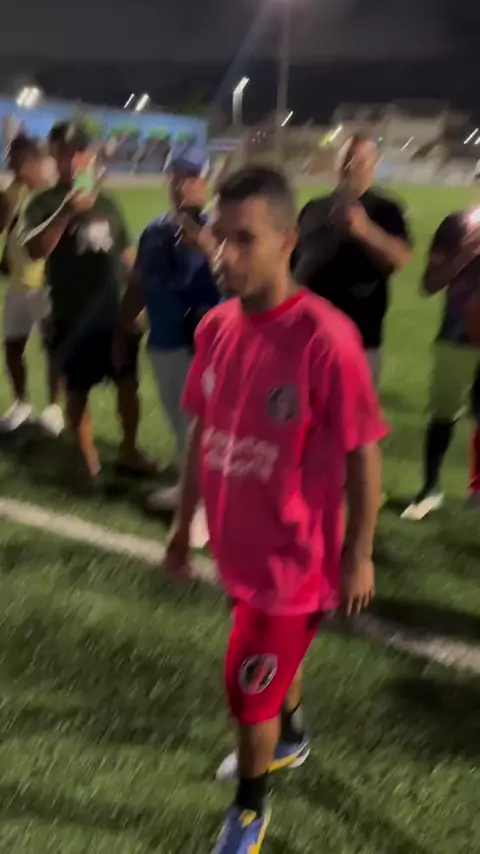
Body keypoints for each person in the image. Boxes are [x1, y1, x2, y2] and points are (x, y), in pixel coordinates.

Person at [164, 165, 387, 853]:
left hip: (294, 562)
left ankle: (250, 808)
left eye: (245, 240)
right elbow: (202, 429)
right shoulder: (216, 327)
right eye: (220, 237)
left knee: (247, 688)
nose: (224, 255)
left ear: (288, 240)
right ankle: (290, 735)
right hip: (240, 547)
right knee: (270, 670)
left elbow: (363, 455)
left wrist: (358, 555)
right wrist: (183, 524)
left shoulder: (326, 339)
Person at [22, 121, 154, 489]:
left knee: (128, 385)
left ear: (89, 156)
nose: (71, 160)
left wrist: (142, 292)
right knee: (77, 391)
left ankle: (129, 450)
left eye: (78, 152)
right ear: (54, 157)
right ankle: (87, 460)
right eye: (63, 153)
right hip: (71, 316)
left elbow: (124, 254)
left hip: (113, 314)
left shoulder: (107, 203)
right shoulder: (44, 203)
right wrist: (67, 211)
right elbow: (35, 251)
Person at [116, 146, 220, 514]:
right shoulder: (155, 229)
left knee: (204, 427)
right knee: (179, 422)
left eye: (190, 177)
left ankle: (206, 503)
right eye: (175, 176)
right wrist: (123, 326)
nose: (180, 185)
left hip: (202, 348)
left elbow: (239, 284)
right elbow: (139, 283)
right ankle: (188, 488)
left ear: (205, 181)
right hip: (162, 341)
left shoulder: (219, 228)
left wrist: (208, 245)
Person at [292, 132, 412, 388]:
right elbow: (292, 266)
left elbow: (402, 258)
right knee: (303, 410)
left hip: (359, 340)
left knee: (353, 412)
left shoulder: (386, 210)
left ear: (374, 164)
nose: (350, 166)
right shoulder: (313, 208)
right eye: (346, 158)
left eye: (360, 160)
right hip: (309, 336)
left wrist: (365, 230)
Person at [402, 209, 480, 520]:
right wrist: (465, 255)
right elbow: (429, 284)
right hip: (455, 337)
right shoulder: (456, 225)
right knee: (443, 413)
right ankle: (430, 488)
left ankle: (476, 490)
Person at [0, 135, 64, 434]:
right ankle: (21, 404)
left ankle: (53, 408)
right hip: (17, 284)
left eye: (15, 158)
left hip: (45, 284)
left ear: (31, 162)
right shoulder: (11, 192)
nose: (9, 162)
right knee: (13, 346)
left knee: (52, 347)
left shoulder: (50, 196)